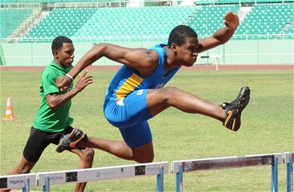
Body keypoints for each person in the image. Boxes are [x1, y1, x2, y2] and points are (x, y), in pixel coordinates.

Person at [55, 11, 250, 163]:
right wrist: (70, 75)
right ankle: (225, 114)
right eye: (191, 49)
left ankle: (83, 140)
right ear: (174, 47)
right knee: (170, 93)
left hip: (136, 105)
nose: (195, 53)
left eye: (195, 48)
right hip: (117, 106)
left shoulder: (183, 54)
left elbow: (216, 39)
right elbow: (103, 48)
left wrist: (231, 28)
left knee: (144, 157)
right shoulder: (148, 59)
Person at [0, 36, 94, 192]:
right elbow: (52, 103)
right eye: (68, 52)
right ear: (56, 53)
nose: (72, 56)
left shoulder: (67, 71)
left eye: (73, 52)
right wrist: (76, 89)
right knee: (23, 170)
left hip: (62, 129)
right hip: (43, 129)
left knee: (87, 153)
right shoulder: (49, 72)